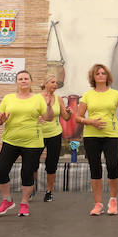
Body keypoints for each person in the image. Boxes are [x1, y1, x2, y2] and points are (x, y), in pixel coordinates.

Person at [75, 64, 118, 216]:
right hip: (91, 136)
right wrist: (91, 122)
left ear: (107, 76)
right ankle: (98, 204)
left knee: (112, 166)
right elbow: (78, 117)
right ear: (93, 77)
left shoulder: (115, 94)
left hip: (111, 135)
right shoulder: (87, 96)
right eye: (98, 73)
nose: (101, 75)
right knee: (95, 169)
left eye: (103, 73)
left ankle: (113, 200)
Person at [0, 70, 54, 217]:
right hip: (10, 140)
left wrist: (50, 107)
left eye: (26, 78)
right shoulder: (9, 98)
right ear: (16, 82)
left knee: (27, 173)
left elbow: (48, 118)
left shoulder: (38, 99)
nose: (23, 81)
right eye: (20, 78)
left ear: (31, 81)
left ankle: (24, 203)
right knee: (1, 170)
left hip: (32, 142)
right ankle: (7, 200)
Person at [40, 75, 71, 203]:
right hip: (38, 135)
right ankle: (31, 189)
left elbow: (66, 117)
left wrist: (69, 112)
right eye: (52, 82)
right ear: (45, 83)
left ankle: (49, 191)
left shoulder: (58, 99)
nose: (55, 85)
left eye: (56, 83)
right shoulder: (36, 98)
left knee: (51, 164)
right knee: (32, 163)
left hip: (55, 134)